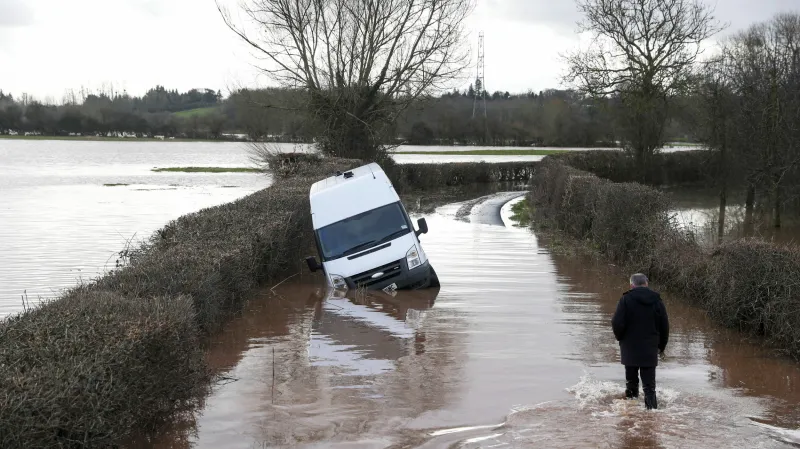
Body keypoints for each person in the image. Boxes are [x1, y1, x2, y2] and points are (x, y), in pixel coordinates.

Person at [611, 273, 669, 410]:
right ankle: (651, 414)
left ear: (631, 285)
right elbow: (664, 326)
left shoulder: (625, 300)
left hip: (629, 348)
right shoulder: (657, 301)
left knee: (631, 383)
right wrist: (661, 346)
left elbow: (616, 323)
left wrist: (621, 339)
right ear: (646, 284)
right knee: (649, 387)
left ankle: (632, 414)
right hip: (650, 349)